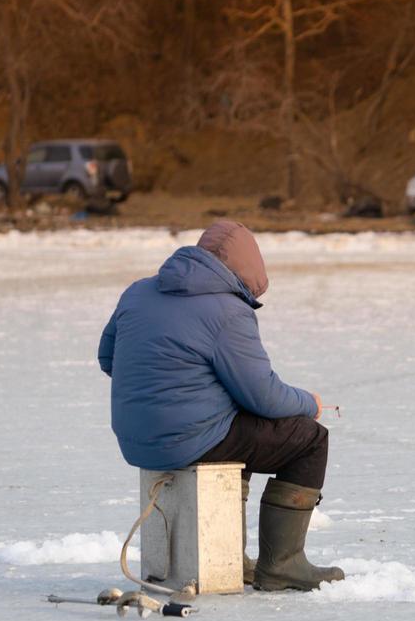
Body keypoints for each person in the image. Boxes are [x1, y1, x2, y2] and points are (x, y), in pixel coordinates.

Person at [97, 220, 344, 592]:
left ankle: (231, 556)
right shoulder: (228, 311)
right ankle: (283, 564)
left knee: (238, 425)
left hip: (137, 439)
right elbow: (264, 396)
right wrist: (310, 403)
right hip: (191, 438)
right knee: (309, 439)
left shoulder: (138, 292)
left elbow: (108, 359)